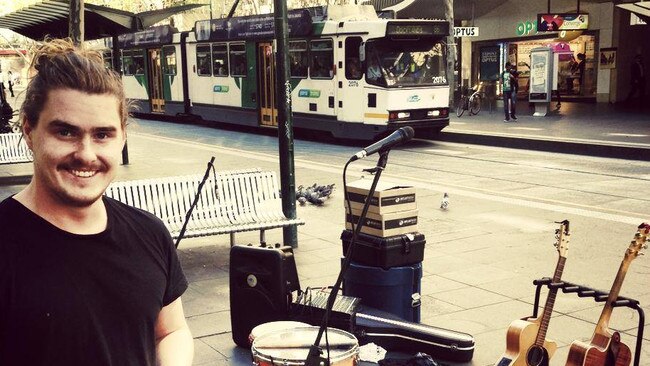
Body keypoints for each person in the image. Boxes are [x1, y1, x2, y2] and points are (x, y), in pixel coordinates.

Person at [0, 38, 193, 366]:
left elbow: (170, 331)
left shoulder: (150, 233)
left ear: (122, 137)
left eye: (102, 135)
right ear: (29, 131)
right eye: (65, 133)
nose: (86, 155)